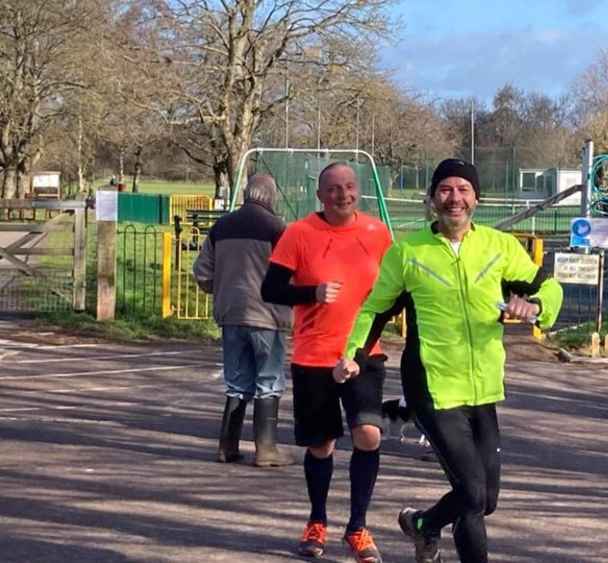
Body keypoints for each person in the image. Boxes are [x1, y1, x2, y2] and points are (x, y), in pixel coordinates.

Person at [335, 158, 563, 563]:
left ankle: (423, 525)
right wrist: (352, 355)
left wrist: (539, 307)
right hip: (432, 387)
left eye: (463, 190)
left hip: (482, 386)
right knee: (472, 495)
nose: (454, 198)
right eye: (445, 190)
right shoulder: (408, 252)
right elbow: (374, 309)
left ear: (477, 198)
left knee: (486, 498)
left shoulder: (499, 246)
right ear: (432, 199)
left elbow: (548, 286)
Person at [261, 162, 392, 563]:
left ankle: (357, 527)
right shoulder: (299, 233)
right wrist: (311, 292)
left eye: (349, 187)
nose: (343, 194)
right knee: (321, 444)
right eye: (333, 188)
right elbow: (271, 289)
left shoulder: (377, 233)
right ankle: (316, 521)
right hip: (313, 355)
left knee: (368, 434)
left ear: (359, 191)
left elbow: (394, 297)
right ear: (320, 195)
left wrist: (361, 350)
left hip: (364, 355)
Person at [193, 174, 293, 468]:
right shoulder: (278, 228)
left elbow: (202, 273)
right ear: (271, 196)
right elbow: (294, 272)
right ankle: (266, 449)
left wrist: (221, 288)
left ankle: (228, 446)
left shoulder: (221, 227)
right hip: (268, 315)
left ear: (247, 194)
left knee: (236, 381)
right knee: (269, 380)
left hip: (230, 313)